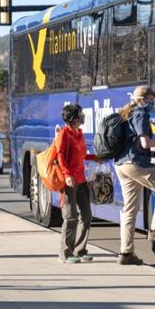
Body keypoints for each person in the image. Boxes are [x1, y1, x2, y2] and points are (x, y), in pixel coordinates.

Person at [114, 86, 155, 265]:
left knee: (130, 209)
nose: (153, 102)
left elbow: (133, 143)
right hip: (135, 164)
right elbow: (145, 143)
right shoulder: (141, 113)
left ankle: (126, 253)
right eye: (151, 99)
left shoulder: (126, 112)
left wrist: (149, 154)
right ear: (143, 99)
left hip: (122, 165)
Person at [56, 103, 96, 264]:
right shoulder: (64, 134)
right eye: (80, 113)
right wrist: (67, 175)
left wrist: (95, 158)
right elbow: (60, 156)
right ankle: (65, 253)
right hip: (69, 181)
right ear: (75, 118)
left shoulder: (79, 133)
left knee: (86, 215)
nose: (83, 116)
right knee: (70, 217)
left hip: (81, 180)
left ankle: (80, 250)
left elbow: (81, 155)